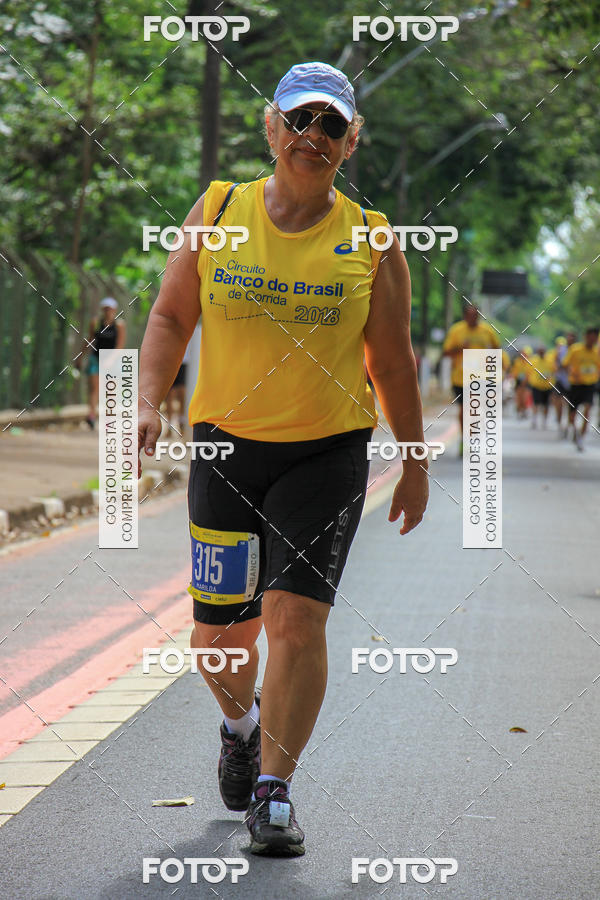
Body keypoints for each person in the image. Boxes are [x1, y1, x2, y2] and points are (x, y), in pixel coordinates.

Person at [136, 61, 429, 857]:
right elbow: (169, 314)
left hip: (327, 452)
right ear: (272, 128)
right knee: (221, 644)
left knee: (295, 619)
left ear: (351, 144)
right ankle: (240, 727)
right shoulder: (221, 209)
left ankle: (274, 793)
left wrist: (414, 460)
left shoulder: (372, 240)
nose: (315, 138)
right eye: (301, 120)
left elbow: (394, 363)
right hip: (227, 449)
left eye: (333, 126)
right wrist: (146, 401)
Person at [442, 304, 500, 453]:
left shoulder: (487, 332)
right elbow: (446, 353)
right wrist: (461, 348)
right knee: (464, 409)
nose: (473, 318)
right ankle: (464, 438)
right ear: (465, 316)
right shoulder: (456, 331)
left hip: (481, 377)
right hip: (460, 378)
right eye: (470, 315)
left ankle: (473, 435)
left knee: (475, 408)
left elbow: (497, 351)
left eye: (476, 315)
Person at [76, 297, 126, 428]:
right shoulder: (96, 323)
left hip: (111, 360)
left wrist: (110, 360)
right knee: (94, 387)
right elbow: (90, 340)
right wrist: (80, 357)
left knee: (110, 390)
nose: (107, 311)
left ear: (114, 310)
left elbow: (119, 346)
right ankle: (91, 415)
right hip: (96, 358)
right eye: (105, 308)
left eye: (110, 309)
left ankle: (109, 418)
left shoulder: (119, 325)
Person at [563, 326, 600, 451]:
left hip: (589, 385)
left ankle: (581, 438)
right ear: (586, 337)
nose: (592, 341)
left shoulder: (597, 352)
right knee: (572, 414)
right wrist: (573, 373)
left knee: (588, 408)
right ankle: (575, 430)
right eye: (590, 338)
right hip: (575, 385)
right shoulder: (575, 350)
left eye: (595, 339)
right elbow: (565, 364)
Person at [165, 338, 192, 436]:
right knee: (169, 395)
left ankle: (182, 426)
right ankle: (169, 427)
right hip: (170, 361)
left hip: (185, 362)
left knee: (182, 395)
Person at [553, 331, 576, 436]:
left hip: (572, 381)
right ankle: (559, 423)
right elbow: (558, 362)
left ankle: (568, 425)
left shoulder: (577, 350)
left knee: (569, 404)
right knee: (559, 402)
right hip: (561, 379)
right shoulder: (561, 350)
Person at [526, 344, 554, 429]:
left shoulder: (550, 361)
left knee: (546, 405)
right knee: (536, 403)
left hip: (547, 386)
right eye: (540, 351)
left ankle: (544, 421)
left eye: (543, 351)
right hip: (536, 385)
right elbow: (528, 372)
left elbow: (554, 371)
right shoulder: (533, 360)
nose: (541, 353)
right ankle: (534, 420)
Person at [511, 345, 533, 419]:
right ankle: (519, 410)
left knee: (525, 398)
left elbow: (530, 372)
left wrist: (526, 380)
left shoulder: (530, 362)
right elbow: (514, 371)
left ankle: (524, 410)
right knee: (518, 397)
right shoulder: (517, 361)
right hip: (519, 381)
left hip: (527, 382)